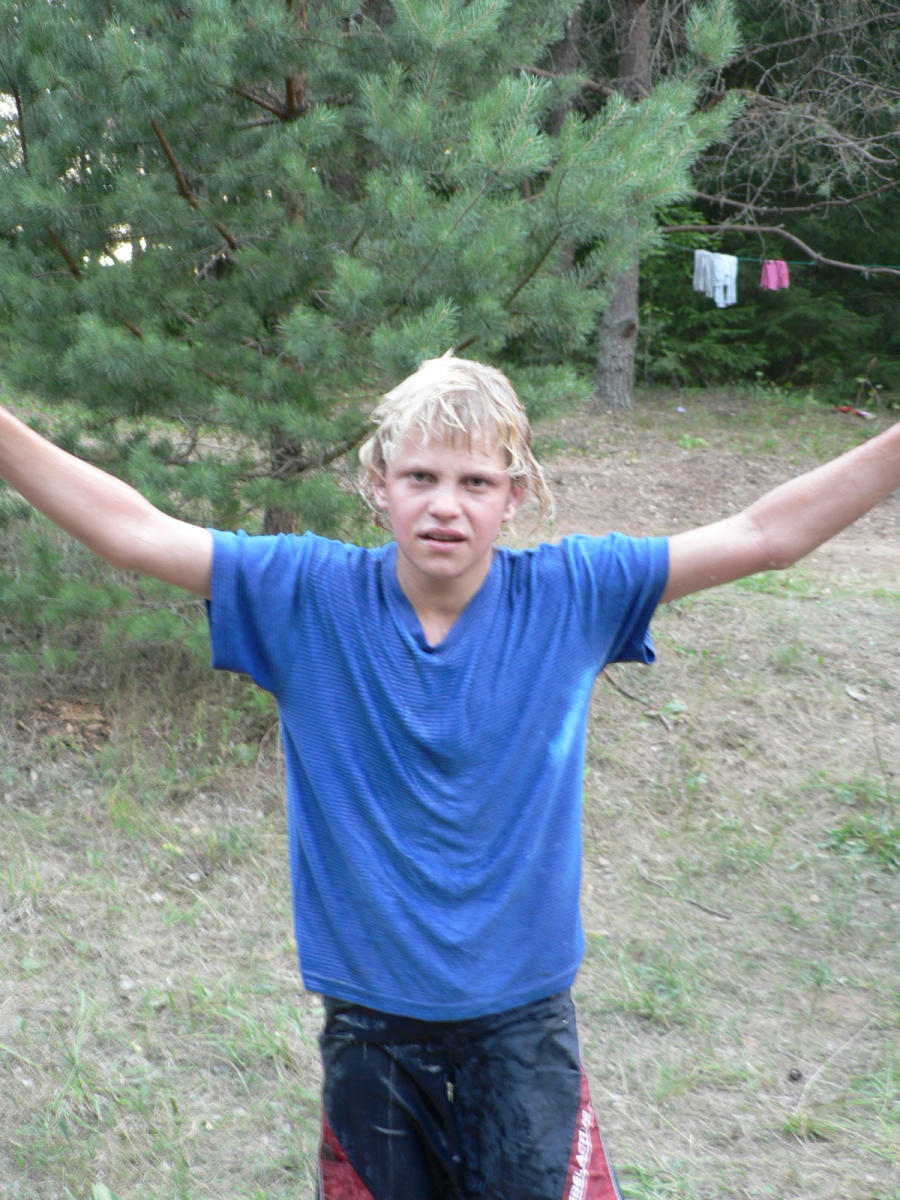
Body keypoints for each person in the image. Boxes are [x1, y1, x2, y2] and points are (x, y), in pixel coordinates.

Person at [0, 354, 898, 1200]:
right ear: (378, 483)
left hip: (525, 1029)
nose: (445, 506)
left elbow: (767, 535)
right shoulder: (304, 596)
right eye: (420, 477)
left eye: (476, 483)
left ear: (515, 495)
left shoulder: (573, 594)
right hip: (371, 1032)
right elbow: (132, 534)